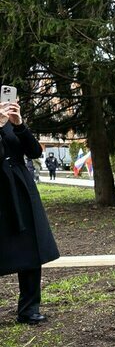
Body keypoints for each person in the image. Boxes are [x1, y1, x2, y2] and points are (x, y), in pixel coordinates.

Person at [0, 101, 60, 325]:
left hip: (21, 188)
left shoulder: (10, 122)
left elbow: (34, 151)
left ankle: (29, 308)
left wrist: (19, 125)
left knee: (31, 245)